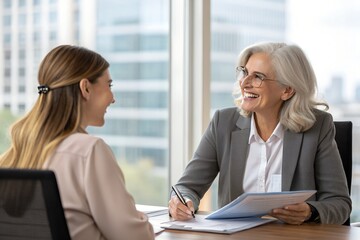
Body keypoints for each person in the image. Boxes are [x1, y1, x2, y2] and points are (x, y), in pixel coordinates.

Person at [168, 42, 351, 225]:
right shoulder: (223, 123)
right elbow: (186, 187)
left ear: (287, 90)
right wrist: (182, 201)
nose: (244, 83)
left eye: (258, 77)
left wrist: (310, 212)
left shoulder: (318, 127)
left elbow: (339, 204)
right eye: (245, 73)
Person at [0, 45, 155, 240]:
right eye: (109, 85)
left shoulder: (17, 153)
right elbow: (135, 237)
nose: (112, 98)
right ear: (86, 88)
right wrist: (136, 217)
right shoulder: (89, 151)